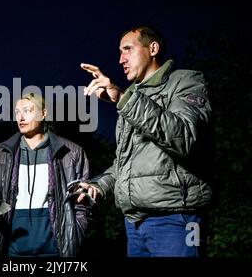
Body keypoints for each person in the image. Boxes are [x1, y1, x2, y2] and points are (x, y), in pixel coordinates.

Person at [77, 25, 212, 257]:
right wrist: (99, 185)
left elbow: (185, 138)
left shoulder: (185, 81)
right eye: (120, 52)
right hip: (135, 224)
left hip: (176, 221)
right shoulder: (132, 97)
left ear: (153, 48)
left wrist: (122, 98)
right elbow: (126, 163)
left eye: (127, 49)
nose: (121, 59)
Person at [0, 93, 90, 257]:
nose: (20, 117)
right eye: (17, 112)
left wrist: (76, 235)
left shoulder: (72, 153)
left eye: (27, 110)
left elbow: (83, 203)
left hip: (57, 254)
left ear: (43, 113)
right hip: (12, 252)